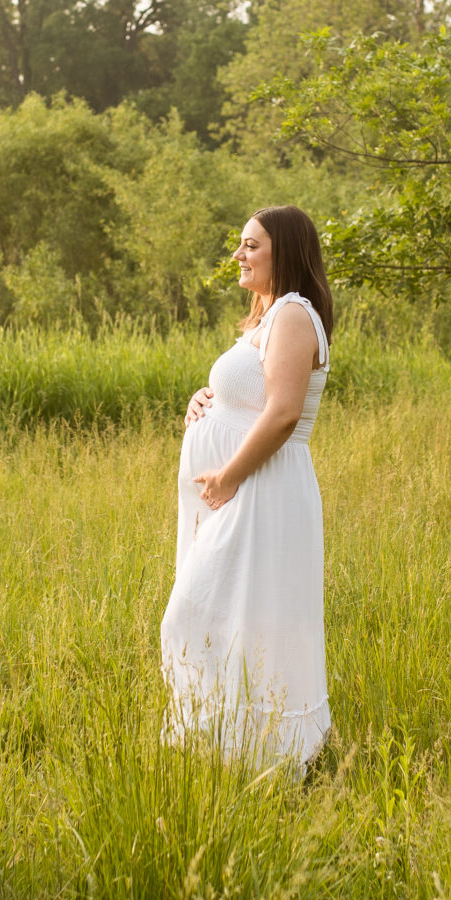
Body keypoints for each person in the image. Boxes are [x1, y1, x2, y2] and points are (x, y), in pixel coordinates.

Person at [160, 205, 335, 771]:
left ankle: (269, 756)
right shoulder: (266, 319)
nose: (239, 254)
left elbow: (283, 414)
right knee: (228, 615)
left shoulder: (293, 314)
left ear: (282, 251)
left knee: (209, 613)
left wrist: (228, 476)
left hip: (260, 490)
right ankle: (228, 750)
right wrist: (203, 402)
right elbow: (251, 397)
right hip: (240, 491)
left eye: (250, 245)